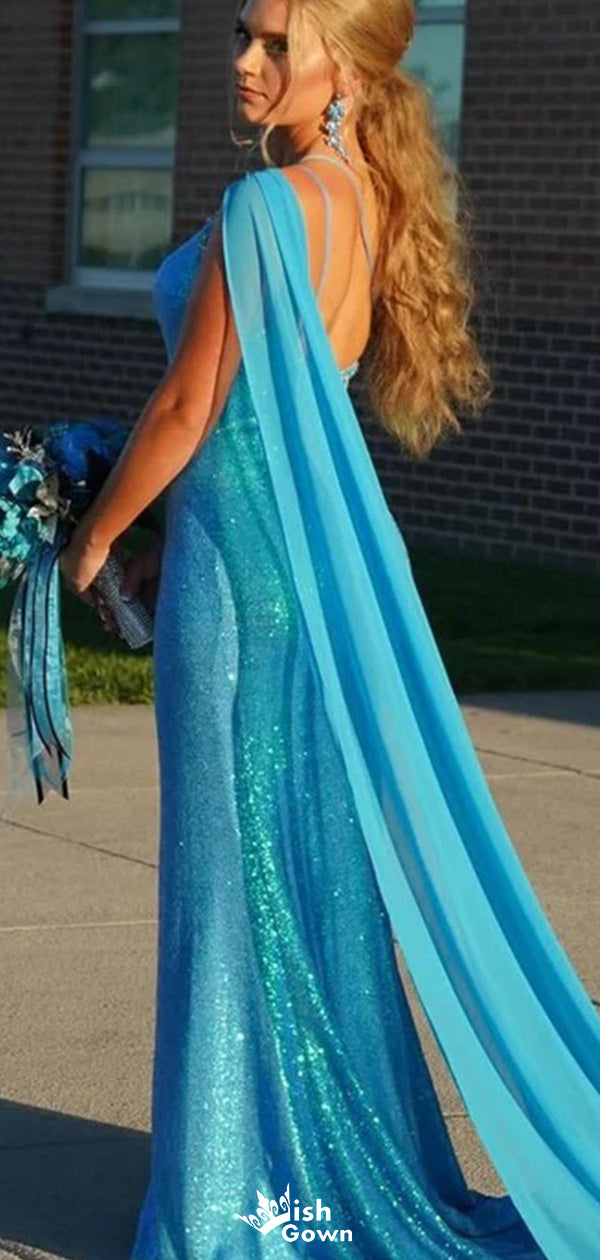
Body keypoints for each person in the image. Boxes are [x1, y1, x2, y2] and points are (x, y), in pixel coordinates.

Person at [58, 1, 600, 1257]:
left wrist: (91, 541)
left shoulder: (267, 205)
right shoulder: (364, 200)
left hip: (236, 585)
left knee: (228, 887)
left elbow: (192, 407)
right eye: (241, 37)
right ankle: (293, 1173)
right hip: (297, 575)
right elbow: (258, 410)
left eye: (272, 44)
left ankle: (232, 1200)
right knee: (310, 880)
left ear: (342, 63)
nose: (242, 63)